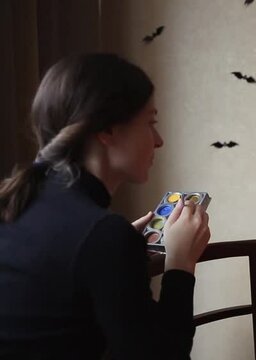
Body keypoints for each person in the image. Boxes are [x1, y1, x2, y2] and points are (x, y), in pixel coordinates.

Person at [0, 53, 210, 359]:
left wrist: (122, 251)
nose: (159, 140)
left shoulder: (22, 203)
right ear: (107, 130)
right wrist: (180, 264)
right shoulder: (102, 235)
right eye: (150, 123)